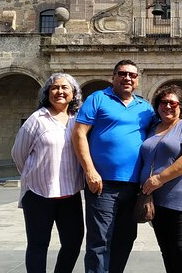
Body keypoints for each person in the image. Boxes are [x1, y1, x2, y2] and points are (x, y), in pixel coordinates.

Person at [72, 60, 156, 273]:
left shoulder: (144, 108)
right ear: (114, 76)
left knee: (125, 238)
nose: (127, 78)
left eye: (132, 75)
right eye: (122, 74)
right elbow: (79, 134)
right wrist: (90, 171)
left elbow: (164, 130)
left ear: (137, 80)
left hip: (134, 187)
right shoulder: (98, 98)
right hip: (103, 184)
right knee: (99, 239)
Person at [11, 73, 85, 273]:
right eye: (54, 88)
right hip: (38, 193)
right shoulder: (37, 119)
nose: (59, 91)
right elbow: (19, 154)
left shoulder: (78, 120)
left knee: (73, 243)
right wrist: (35, 174)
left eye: (65, 88)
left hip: (70, 193)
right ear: (47, 92)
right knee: (38, 244)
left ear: (74, 93)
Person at [140, 85, 182, 273]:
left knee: (181, 250)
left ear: (181, 106)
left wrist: (159, 179)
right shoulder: (153, 128)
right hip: (156, 200)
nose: (168, 106)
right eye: (163, 102)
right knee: (166, 250)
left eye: (173, 103)